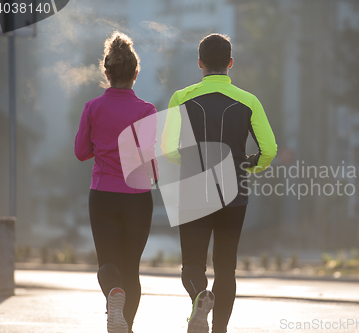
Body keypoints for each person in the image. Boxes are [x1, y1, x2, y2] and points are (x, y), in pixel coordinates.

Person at [163, 33, 277, 333]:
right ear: (230, 63)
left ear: (199, 63)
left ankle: (199, 298)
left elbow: (168, 149)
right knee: (226, 266)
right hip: (234, 193)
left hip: (192, 192)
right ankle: (219, 330)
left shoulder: (181, 98)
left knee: (192, 264)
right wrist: (250, 167)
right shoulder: (249, 101)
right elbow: (270, 150)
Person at [75, 31, 158, 333]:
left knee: (108, 264)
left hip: (103, 196)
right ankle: (126, 325)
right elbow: (151, 161)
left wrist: (103, 146)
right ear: (136, 72)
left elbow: (81, 152)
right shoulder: (147, 110)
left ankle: (113, 300)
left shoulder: (93, 108)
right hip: (137, 198)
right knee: (131, 268)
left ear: (106, 72)